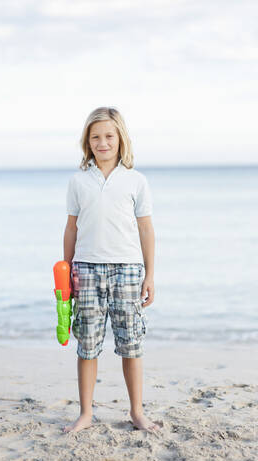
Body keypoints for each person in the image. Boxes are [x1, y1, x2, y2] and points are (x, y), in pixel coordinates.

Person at [63, 106, 160, 434]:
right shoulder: (78, 181)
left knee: (132, 344)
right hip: (86, 270)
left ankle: (136, 412)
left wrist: (149, 274)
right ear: (87, 142)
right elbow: (71, 230)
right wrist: (67, 274)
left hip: (128, 271)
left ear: (120, 139)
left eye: (108, 136)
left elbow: (146, 230)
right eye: (95, 137)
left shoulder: (136, 181)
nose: (102, 143)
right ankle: (86, 413)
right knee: (87, 343)